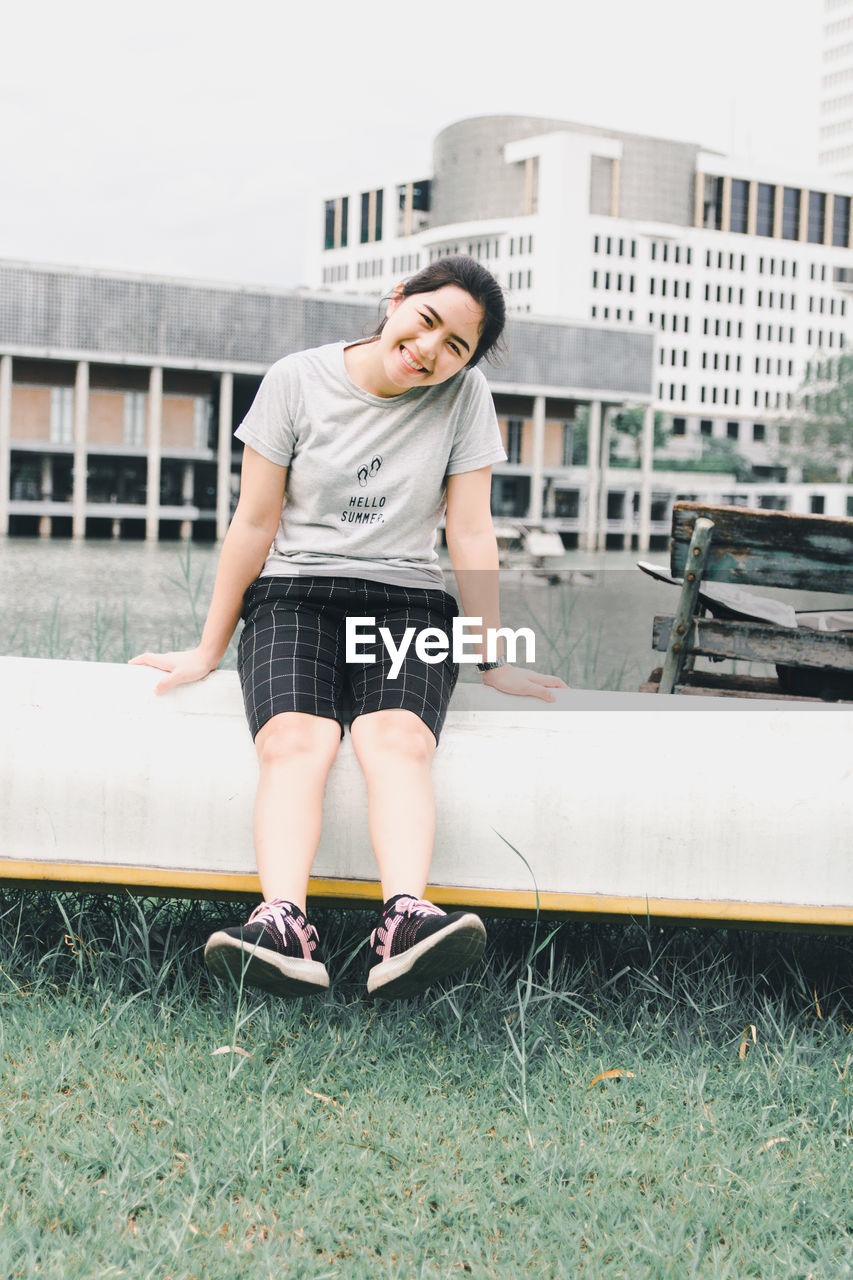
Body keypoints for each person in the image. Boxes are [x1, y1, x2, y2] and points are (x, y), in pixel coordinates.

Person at [131, 256, 565, 1001]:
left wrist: (490, 658)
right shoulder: (296, 380)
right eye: (427, 322)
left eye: (455, 346)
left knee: (394, 738)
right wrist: (210, 647)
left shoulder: (466, 398)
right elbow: (254, 522)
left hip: (406, 604)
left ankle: (405, 920)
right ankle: (281, 926)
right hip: (294, 597)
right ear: (397, 301)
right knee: (295, 741)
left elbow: (469, 531)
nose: (432, 350)